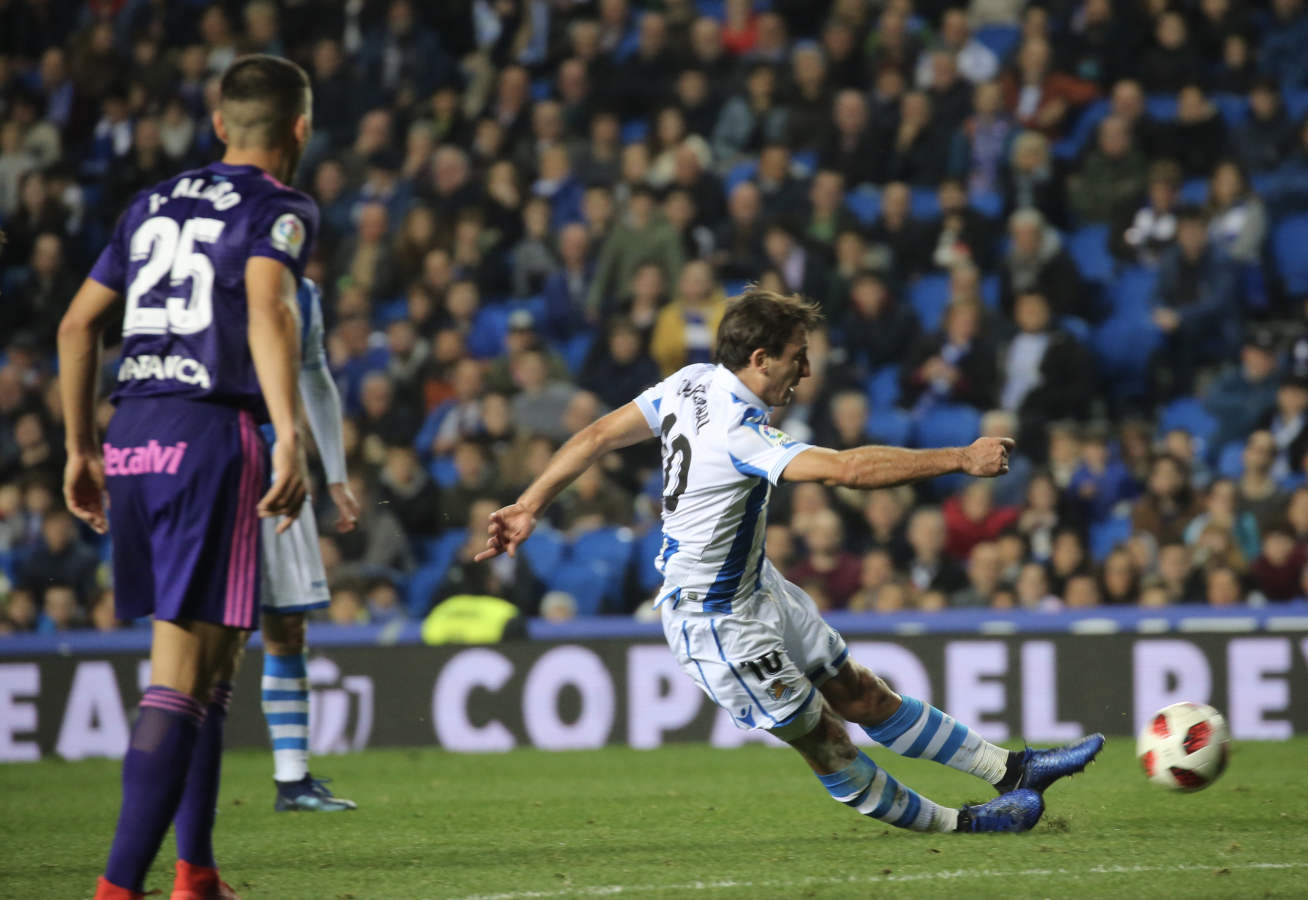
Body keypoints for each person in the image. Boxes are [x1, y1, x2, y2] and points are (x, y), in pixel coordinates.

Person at [475, 288, 1102, 836]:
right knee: (826, 738)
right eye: (798, 355)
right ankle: (963, 823)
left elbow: (595, 436)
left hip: (756, 586)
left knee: (861, 692)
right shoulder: (740, 431)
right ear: (760, 359)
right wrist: (961, 459)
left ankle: (1012, 769)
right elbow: (848, 470)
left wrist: (529, 504)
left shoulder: (689, 382)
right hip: (715, 622)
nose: (805, 369)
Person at [59, 55, 317, 900]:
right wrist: (289, 434)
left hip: (133, 433)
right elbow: (270, 305)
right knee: (182, 672)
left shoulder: (148, 204)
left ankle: (195, 873)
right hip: (211, 433)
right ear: (299, 130)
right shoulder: (277, 207)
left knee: (210, 660)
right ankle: (117, 887)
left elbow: (75, 327)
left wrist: (78, 449)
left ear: (218, 126)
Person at [256, 278, 360, 812]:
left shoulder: (304, 292)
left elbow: (315, 375)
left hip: (280, 461)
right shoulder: (218, 272)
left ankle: (292, 780)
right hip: (218, 454)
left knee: (287, 623)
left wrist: (335, 474)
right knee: (207, 638)